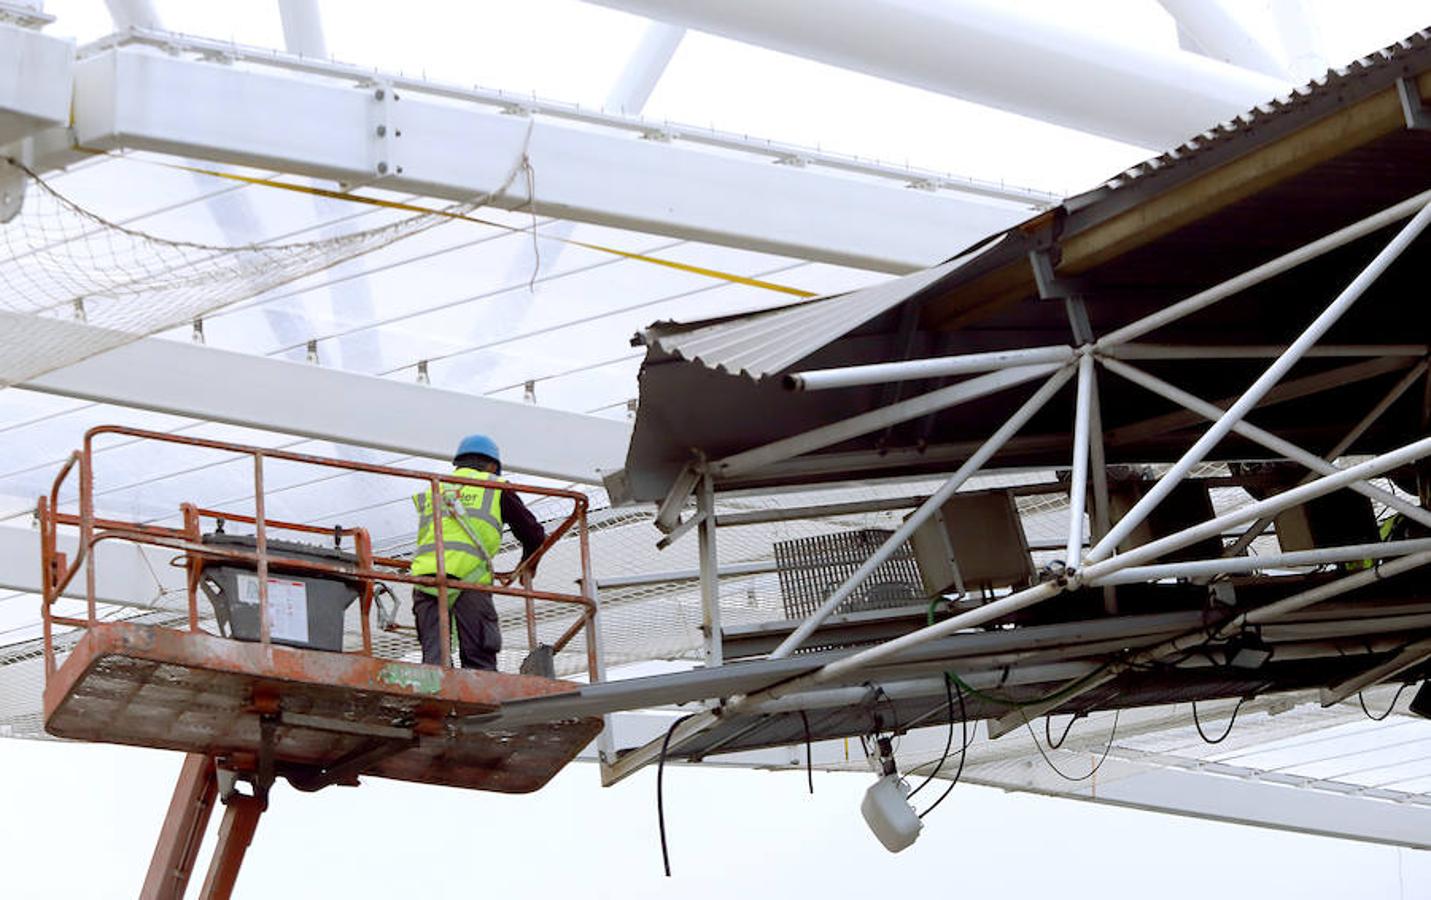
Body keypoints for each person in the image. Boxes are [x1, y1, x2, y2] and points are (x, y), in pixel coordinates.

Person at [409, 434, 545, 670]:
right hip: (470, 581)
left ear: (458, 463)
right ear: (492, 466)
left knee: (434, 662)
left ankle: (434, 688)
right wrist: (528, 564)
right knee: (479, 662)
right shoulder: (494, 486)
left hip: (425, 579)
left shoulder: (435, 487)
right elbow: (534, 534)